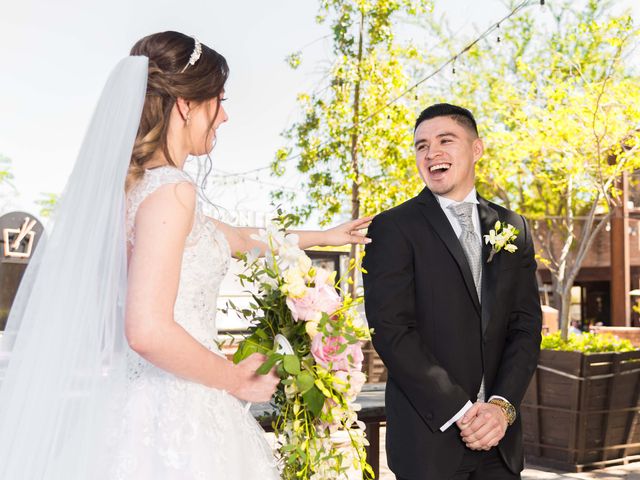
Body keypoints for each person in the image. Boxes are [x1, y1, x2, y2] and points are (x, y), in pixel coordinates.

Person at [0, 31, 371, 479]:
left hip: (135, 402)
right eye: (219, 98)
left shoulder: (135, 190)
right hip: (176, 411)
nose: (225, 115)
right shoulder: (171, 192)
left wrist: (326, 235)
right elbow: (147, 330)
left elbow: (236, 238)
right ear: (185, 105)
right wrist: (235, 379)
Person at [363, 103, 542, 479]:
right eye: (421, 146)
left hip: (500, 441)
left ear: (476, 149)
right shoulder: (392, 228)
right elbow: (392, 331)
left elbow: (525, 327)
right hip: (428, 442)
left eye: (446, 140)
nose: (432, 153)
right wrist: (461, 412)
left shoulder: (514, 227)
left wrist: (500, 408)